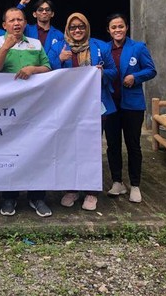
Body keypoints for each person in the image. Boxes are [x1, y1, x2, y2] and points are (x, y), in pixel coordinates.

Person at [0, 7, 52, 218]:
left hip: (35, 109)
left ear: (25, 23)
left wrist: (33, 69)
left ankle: (37, 197)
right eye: (12, 20)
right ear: (4, 25)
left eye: (20, 20)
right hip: (7, 110)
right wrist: (6, 47)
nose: (16, 23)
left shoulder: (36, 43)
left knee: (36, 151)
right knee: (10, 152)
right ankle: (9, 197)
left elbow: (48, 68)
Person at [48, 12, 118, 212]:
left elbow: (114, 72)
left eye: (81, 27)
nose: (77, 30)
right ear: (67, 30)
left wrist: (102, 72)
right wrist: (59, 60)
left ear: (87, 28)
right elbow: (47, 72)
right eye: (73, 27)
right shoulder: (58, 47)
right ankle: (71, 189)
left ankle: (90, 191)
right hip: (69, 108)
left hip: (95, 107)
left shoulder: (100, 47)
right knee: (69, 148)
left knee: (91, 149)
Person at [104, 13, 157, 203]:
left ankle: (135, 184)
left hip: (132, 105)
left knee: (133, 145)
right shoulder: (104, 49)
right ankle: (117, 182)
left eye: (120, 26)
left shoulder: (138, 47)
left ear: (126, 28)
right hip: (110, 104)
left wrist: (136, 77)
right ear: (108, 30)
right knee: (112, 144)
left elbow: (151, 70)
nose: (117, 30)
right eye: (113, 27)